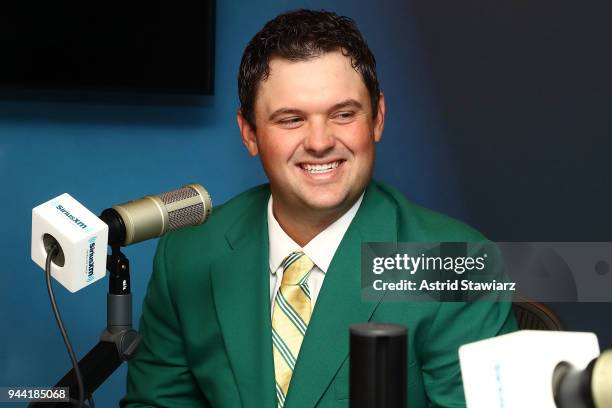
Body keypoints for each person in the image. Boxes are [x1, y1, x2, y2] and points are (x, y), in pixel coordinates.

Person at [122, 9, 516, 408]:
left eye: (343, 114)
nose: (320, 141)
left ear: (377, 117)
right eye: (291, 119)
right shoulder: (187, 253)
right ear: (249, 133)